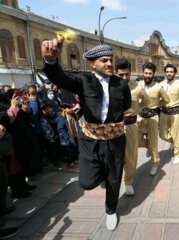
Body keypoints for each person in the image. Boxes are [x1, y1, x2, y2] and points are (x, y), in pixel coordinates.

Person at [41, 39, 131, 231]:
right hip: (90, 139)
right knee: (86, 182)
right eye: (103, 60)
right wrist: (50, 61)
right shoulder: (83, 80)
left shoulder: (121, 85)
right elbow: (60, 78)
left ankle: (111, 211)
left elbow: (126, 106)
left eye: (110, 60)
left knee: (114, 179)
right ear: (93, 64)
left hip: (115, 139)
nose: (109, 64)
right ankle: (101, 176)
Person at [114, 58, 150, 196]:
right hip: (113, 126)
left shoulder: (137, 87)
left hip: (130, 126)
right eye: (121, 75)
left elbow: (147, 102)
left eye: (127, 74)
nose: (124, 78)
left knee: (131, 156)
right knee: (114, 156)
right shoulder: (109, 87)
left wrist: (135, 110)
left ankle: (128, 181)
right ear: (115, 73)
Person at [138, 62, 170, 173]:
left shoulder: (158, 87)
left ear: (153, 74)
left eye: (150, 73)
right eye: (146, 73)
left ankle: (155, 164)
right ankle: (149, 147)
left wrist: (157, 105)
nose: (147, 75)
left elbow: (166, 100)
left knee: (154, 143)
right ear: (143, 73)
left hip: (152, 119)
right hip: (140, 118)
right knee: (135, 141)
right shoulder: (138, 85)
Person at [159, 64, 179, 164]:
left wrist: (177, 103)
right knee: (162, 134)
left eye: (171, 72)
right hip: (164, 113)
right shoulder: (161, 84)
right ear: (165, 73)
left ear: (175, 73)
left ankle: (178, 154)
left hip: (175, 113)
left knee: (176, 135)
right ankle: (173, 141)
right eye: (167, 72)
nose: (169, 74)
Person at [57, 102, 79, 168]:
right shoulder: (62, 118)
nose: (70, 109)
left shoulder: (73, 115)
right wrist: (67, 137)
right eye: (69, 108)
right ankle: (70, 162)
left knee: (75, 149)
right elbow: (61, 129)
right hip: (68, 137)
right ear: (64, 109)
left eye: (71, 108)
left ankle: (75, 159)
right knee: (69, 150)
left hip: (75, 135)